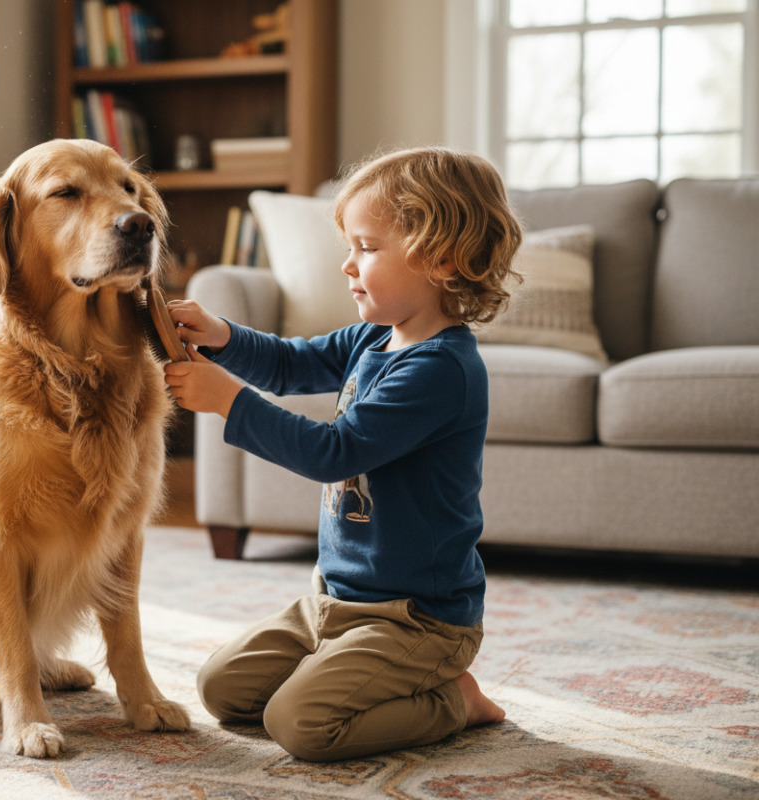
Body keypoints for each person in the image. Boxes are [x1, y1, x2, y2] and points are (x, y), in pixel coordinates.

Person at [163, 147, 522, 762]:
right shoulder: (372, 339)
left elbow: (336, 452)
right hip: (333, 602)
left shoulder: (442, 370)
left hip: (417, 620)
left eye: (367, 247)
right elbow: (290, 363)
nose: (348, 266)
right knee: (220, 689)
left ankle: (454, 700)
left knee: (300, 726)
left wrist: (230, 403)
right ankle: (347, 671)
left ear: (442, 258)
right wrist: (222, 336)